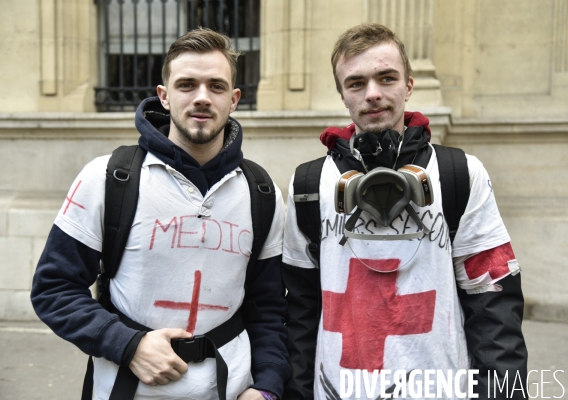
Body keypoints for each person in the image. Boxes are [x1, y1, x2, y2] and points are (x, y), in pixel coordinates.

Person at [31, 28, 289, 400]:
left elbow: (268, 310)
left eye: (216, 86)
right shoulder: (106, 177)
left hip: (230, 391)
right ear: (164, 97)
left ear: (234, 99)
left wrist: (266, 387)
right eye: (187, 85)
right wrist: (128, 345)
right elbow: (53, 289)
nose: (202, 97)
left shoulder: (262, 192)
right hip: (123, 390)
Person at [282, 23, 527, 399]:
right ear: (342, 95)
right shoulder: (307, 186)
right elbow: (299, 313)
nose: (373, 94)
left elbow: (493, 299)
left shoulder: (460, 174)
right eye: (356, 83)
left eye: (386, 78)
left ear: (409, 85)